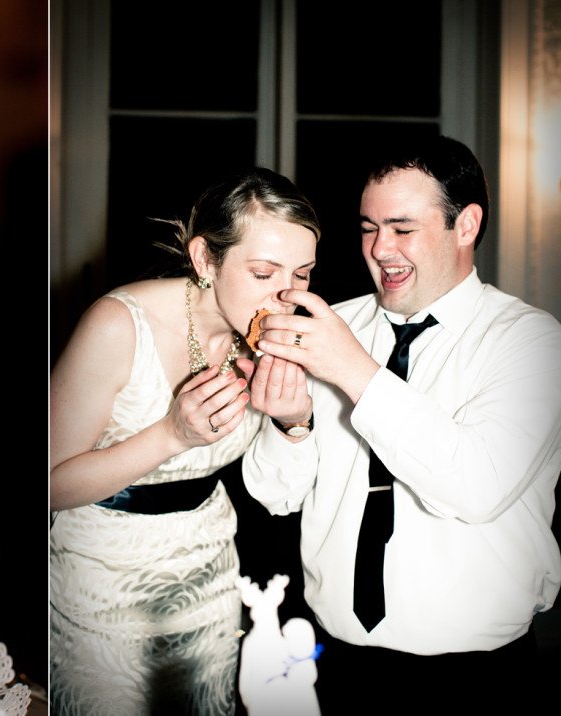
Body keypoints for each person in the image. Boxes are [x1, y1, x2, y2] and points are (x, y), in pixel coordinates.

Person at [241, 135, 561, 714]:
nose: (379, 248)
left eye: (402, 228)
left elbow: (475, 487)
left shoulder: (531, 341)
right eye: (368, 227)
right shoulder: (333, 326)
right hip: (336, 664)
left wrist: (352, 369)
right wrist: (292, 424)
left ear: (466, 225)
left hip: (478, 681)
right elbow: (274, 493)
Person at [50, 167, 321, 715]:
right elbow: (49, 486)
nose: (287, 295)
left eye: (303, 273)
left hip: (211, 576)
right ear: (205, 259)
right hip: (100, 584)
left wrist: (296, 421)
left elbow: (277, 491)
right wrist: (172, 433)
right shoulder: (117, 325)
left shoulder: (274, 339)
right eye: (265, 272)